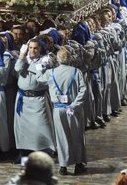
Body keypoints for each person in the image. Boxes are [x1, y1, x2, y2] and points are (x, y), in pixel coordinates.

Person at [38, 48, 87, 176]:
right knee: (77, 136)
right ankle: (78, 164)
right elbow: (83, 90)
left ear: (57, 60)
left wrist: (40, 67)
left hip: (58, 108)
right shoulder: (76, 72)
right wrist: (75, 105)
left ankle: (63, 166)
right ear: (70, 59)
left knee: (61, 137)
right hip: (73, 109)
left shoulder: (51, 72)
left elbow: (39, 79)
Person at [14, 37, 55, 160]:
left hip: (38, 99)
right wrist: (22, 55)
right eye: (30, 48)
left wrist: (33, 65)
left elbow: (42, 77)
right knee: (23, 127)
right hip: (23, 98)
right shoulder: (23, 59)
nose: (32, 50)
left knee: (41, 125)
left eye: (35, 48)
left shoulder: (45, 60)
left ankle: (45, 149)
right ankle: (25, 150)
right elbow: (17, 69)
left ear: (40, 48)